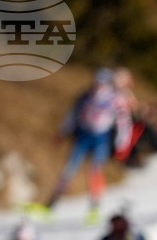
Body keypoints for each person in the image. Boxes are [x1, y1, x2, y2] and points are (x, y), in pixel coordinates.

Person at [43, 68, 134, 223]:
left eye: (102, 83)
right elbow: (72, 114)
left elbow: (123, 122)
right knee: (68, 169)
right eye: (96, 82)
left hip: (101, 138)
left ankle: (94, 208)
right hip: (83, 136)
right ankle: (51, 204)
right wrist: (62, 132)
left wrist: (122, 143)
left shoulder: (116, 99)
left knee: (94, 171)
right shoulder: (85, 95)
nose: (98, 86)